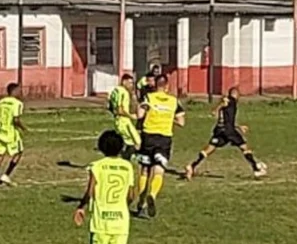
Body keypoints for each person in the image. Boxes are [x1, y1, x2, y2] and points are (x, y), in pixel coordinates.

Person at [74, 130, 136, 244]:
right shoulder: (127, 167)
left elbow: (90, 191)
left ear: (101, 147)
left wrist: (81, 207)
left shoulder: (97, 166)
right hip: (121, 220)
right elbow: (131, 195)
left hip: (101, 220)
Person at [184, 86, 267, 180]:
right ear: (236, 94)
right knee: (244, 147)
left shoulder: (228, 103)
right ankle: (256, 169)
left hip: (220, 130)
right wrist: (217, 108)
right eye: (239, 95)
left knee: (209, 149)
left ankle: (192, 166)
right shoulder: (231, 100)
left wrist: (238, 127)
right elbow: (224, 104)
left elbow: (227, 119)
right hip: (228, 131)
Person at [135, 74, 185, 219]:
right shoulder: (173, 101)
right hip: (164, 138)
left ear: (155, 85)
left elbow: (140, 115)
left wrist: (141, 107)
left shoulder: (149, 97)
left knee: (145, 170)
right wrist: (169, 118)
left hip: (148, 136)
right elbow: (181, 122)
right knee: (159, 169)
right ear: (167, 86)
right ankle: (152, 194)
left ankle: (142, 203)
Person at [0, 83, 26, 189]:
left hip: (0, 133)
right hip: (11, 133)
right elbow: (16, 119)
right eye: (19, 90)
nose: (20, 92)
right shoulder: (17, 103)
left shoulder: (0, 102)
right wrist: (23, 128)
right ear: (14, 91)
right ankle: (6, 175)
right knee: (18, 153)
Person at [107, 73, 141, 157]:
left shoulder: (115, 91)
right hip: (123, 120)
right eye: (130, 83)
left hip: (121, 120)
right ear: (124, 82)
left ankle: (125, 156)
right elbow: (120, 110)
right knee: (134, 141)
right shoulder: (122, 92)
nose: (131, 85)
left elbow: (110, 106)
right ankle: (125, 158)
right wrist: (131, 116)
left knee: (134, 141)